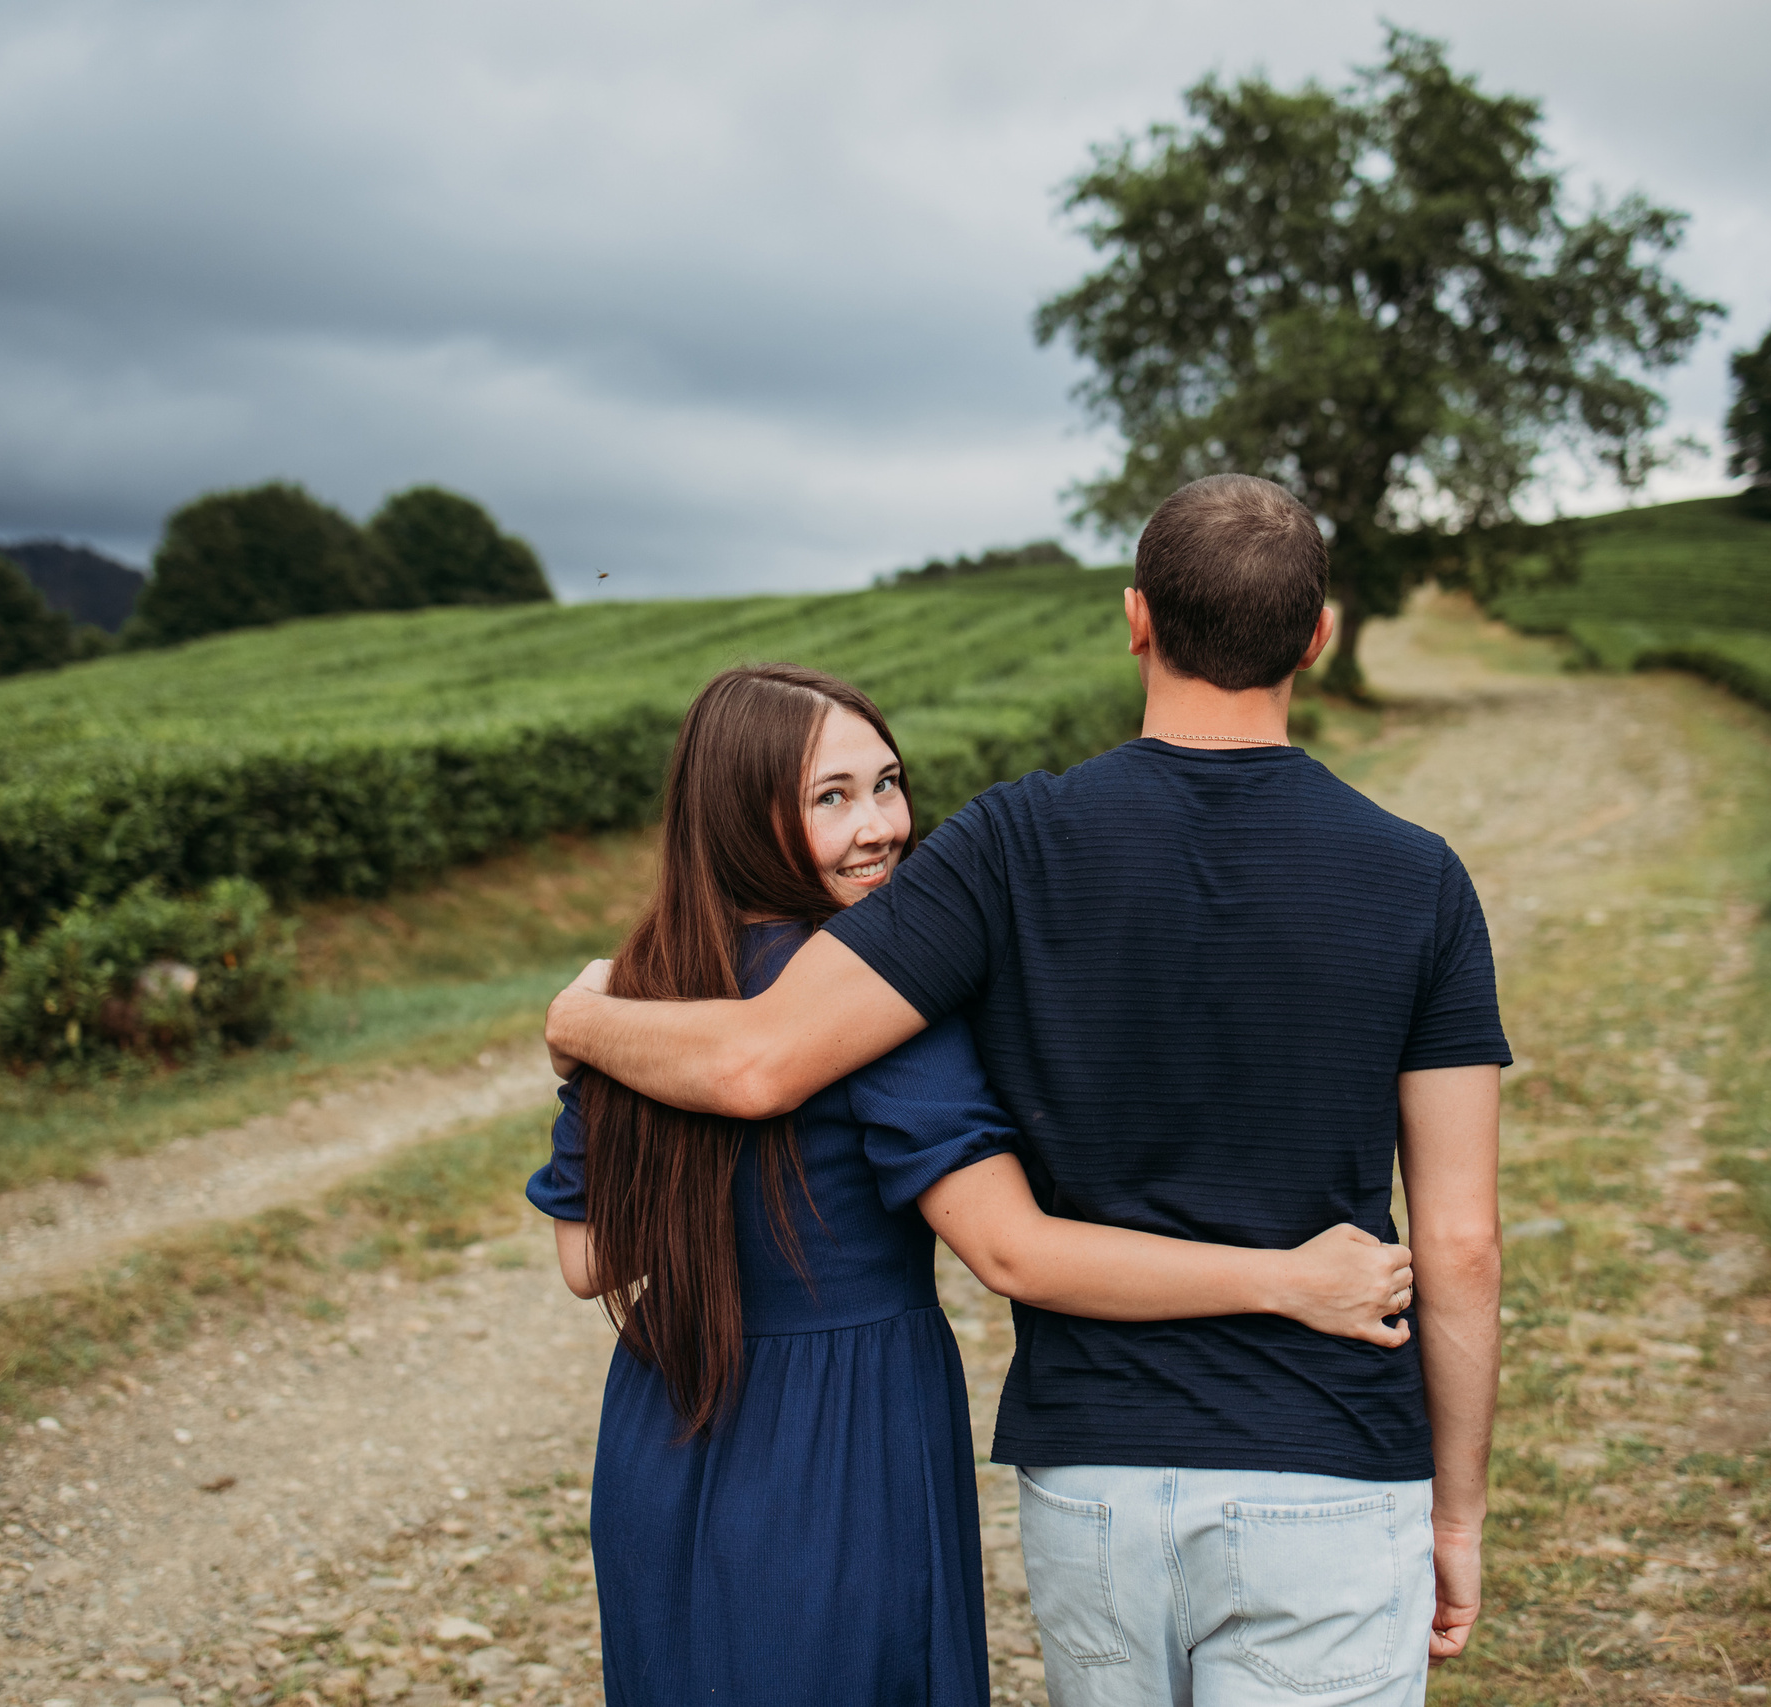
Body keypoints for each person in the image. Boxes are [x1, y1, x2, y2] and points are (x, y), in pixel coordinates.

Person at [546, 476, 1509, 1707]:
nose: (878, 823)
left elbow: (751, 1065)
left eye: (879, 786)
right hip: (1327, 1459)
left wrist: (578, 1018)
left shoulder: (1007, 845)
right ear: (1317, 638)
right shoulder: (1420, 881)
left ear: (1134, 619)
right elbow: (1463, 1245)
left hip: (1094, 1466)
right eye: (836, 794)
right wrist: (1459, 1519)